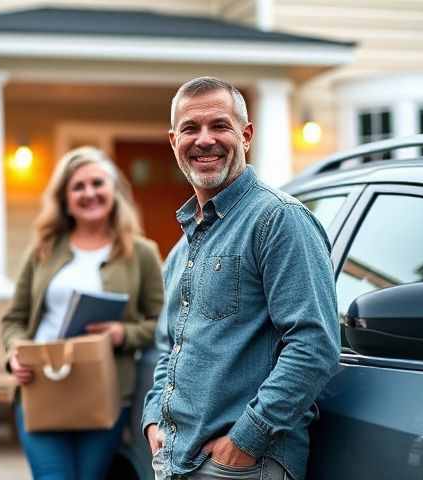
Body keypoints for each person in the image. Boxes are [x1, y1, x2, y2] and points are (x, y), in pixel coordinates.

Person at [142, 77, 340, 480]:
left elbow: (314, 346)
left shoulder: (278, 220)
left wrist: (245, 441)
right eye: (190, 129)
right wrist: (153, 419)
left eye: (219, 126)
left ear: (245, 135)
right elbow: (172, 347)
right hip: (177, 459)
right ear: (173, 141)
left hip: (241, 467)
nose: (204, 140)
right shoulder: (184, 246)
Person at [1, 146, 165, 480]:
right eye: (78, 187)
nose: (89, 193)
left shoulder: (142, 253)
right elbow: (13, 320)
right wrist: (15, 354)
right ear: (65, 199)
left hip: (106, 394)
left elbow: (163, 324)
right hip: (41, 386)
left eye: (97, 184)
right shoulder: (42, 250)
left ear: (113, 191)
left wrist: (123, 333)